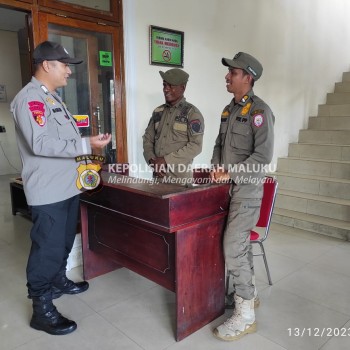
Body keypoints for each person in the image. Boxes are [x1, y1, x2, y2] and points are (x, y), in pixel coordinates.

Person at [10, 41, 111, 335]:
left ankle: (57, 281)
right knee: (47, 249)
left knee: (64, 241)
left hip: (66, 187)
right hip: (48, 190)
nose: (69, 71)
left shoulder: (52, 98)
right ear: (47, 65)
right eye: (65, 65)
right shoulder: (30, 99)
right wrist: (86, 143)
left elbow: (62, 142)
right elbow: (40, 143)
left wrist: (87, 151)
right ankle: (41, 308)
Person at [210, 52, 275, 341]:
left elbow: (262, 156)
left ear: (247, 77)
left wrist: (231, 173)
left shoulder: (260, 112)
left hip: (246, 190)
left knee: (232, 247)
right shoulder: (229, 110)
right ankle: (248, 294)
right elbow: (219, 143)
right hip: (228, 189)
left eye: (233, 72)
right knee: (239, 247)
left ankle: (245, 315)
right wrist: (216, 168)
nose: (227, 76)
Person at [143, 68, 204, 185]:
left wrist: (165, 161)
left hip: (180, 182)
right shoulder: (158, 112)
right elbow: (147, 139)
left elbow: (196, 146)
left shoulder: (192, 113)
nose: (166, 89)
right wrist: (152, 160)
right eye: (164, 85)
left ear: (183, 88)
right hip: (158, 180)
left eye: (171, 86)